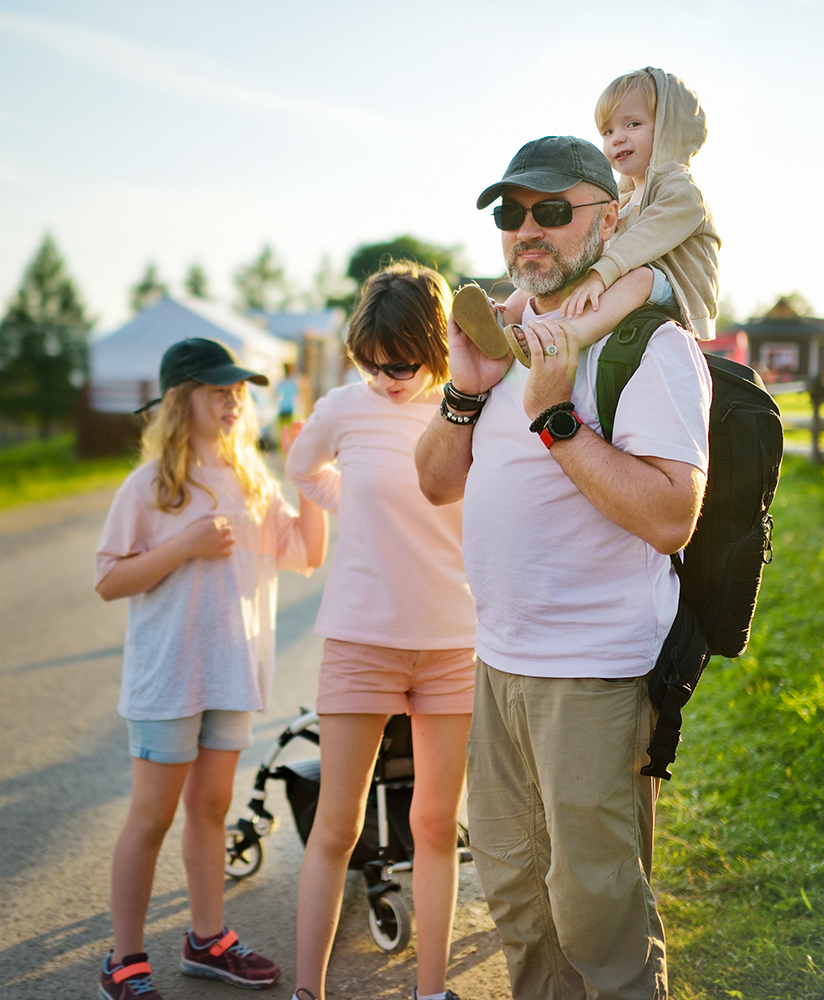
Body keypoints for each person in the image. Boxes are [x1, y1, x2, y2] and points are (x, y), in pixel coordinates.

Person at [415, 136, 712, 1000]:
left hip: (595, 675)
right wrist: (468, 389)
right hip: (499, 664)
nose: (526, 231)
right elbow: (435, 482)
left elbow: (669, 516)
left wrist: (555, 419)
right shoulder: (505, 344)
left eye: (552, 210)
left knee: (596, 915)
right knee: (514, 896)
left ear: (609, 217)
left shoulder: (650, 349)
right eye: (511, 215)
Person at [93, 338, 328, 1000]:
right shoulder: (149, 488)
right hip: (169, 679)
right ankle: (125, 959)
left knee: (212, 807)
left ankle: (207, 938)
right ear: (179, 401)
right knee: (152, 815)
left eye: (238, 393)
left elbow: (308, 553)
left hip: (230, 674)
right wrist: (182, 546)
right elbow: (109, 580)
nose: (232, 403)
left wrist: (307, 470)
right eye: (218, 391)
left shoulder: (254, 479)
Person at [282, 263, 478, 1000]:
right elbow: (304, 469)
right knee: (337, 825)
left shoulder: (468, 408)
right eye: (371, 362)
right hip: (361, 639)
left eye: (400, 363)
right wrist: (350, 507)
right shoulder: (341, 409)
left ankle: (432, 992)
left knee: (434, 825)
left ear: (432, 346)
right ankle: (309, 991)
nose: (386, 378)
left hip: (453, 641)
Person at [482, 67, 720, 360]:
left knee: (640, 277)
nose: (617, 138)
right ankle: (502, 320)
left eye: (632, 124)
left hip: (677, 291)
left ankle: (567, 337)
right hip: (625, 275)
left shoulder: (682, 191)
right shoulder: (628, 194)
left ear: (672, 129)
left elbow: (643, 241)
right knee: (555, 276)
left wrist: (599, 275)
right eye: (608, 131)